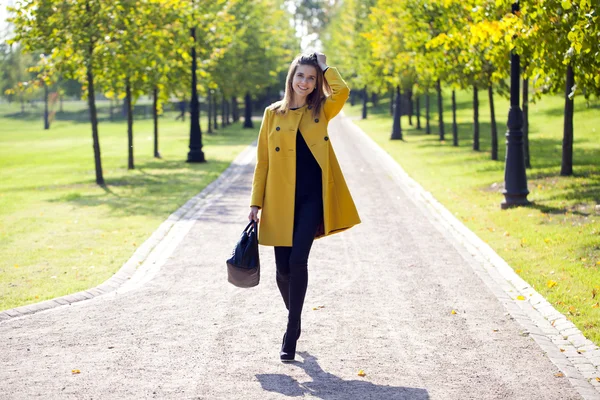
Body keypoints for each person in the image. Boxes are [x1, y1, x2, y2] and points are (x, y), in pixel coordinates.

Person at [248, 52, 361, 362]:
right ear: (291, 78)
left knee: (298, 261)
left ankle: (292, 328)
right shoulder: (273, 114)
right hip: (279, 200)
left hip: (312, 198)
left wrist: (325, 66)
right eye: (301, 76)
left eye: (312, 78)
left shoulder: (321, 110)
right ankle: (294, 311)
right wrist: (255, 202)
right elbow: (263, 162)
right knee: (282, 272)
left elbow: (342, 92)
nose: (306, 82)